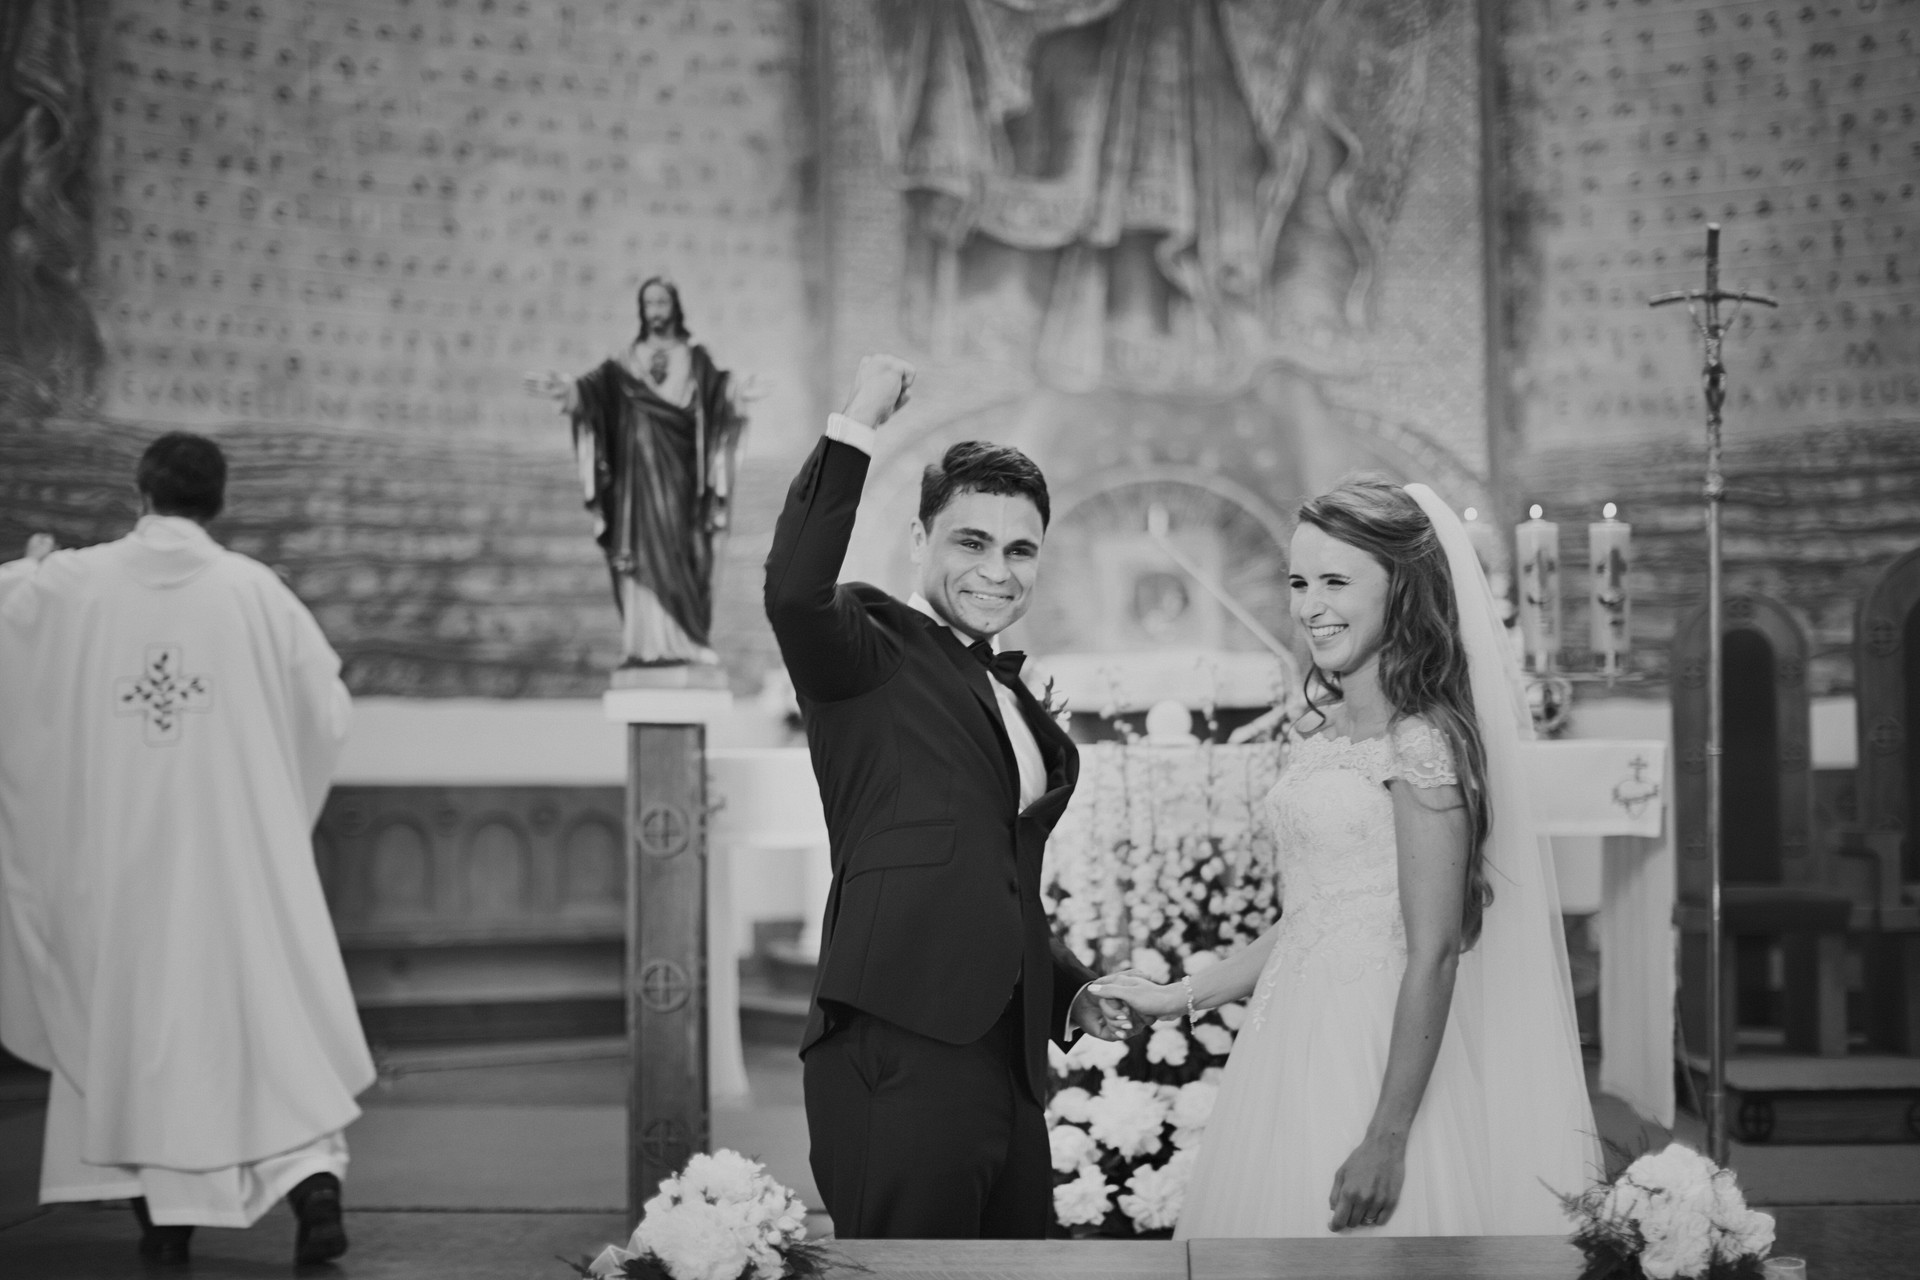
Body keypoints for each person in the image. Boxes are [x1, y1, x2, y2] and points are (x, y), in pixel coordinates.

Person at [1092, 477, 1598, 1237]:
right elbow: (1314, 916)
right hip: (1291, 1038)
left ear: (1402, 591)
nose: (1310, 606)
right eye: (1299, 582)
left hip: (1377, 1051)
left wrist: (1387, 1136)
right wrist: (1178, 996)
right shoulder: (1323, 734)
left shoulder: (1421, 742)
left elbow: (1435, 953)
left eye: (1336, 581)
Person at [763, 355, 1136, 1239]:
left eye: (1020, 550)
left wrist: (1067, 990)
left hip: (1010, 1065)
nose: (997, 571)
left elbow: (990, 875)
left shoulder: (1011, 692)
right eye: (971, 543)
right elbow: (793, 592)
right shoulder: (870, 648)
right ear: (919, 540)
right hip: (898, 1049)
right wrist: (857, 421)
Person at [0, 433, 374, 1266]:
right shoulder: (254, 590)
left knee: (129, 1022)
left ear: (141, 493)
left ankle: (164, 1219)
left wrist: (30, 569)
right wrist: (273, 799)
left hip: (117, 864)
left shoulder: (75, 582)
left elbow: (11, 626)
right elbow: (324, 711)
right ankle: (311, 1180)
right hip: (232, 862)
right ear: (218, 502)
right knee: (262, 1016)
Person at [528, 277, 753, 665]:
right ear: (642, 310)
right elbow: (590, 392)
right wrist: (567, 390)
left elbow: (720, 392)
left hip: (681, 480)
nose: (656, 311)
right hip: (635, 484)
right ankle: (644, 645)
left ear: (674, 306)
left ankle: (686, 640)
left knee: (683, 553)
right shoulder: (625, 361)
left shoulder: (695, 357)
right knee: (638, 554)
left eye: (662, 302)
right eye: (649, 303)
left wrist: (738, 393)